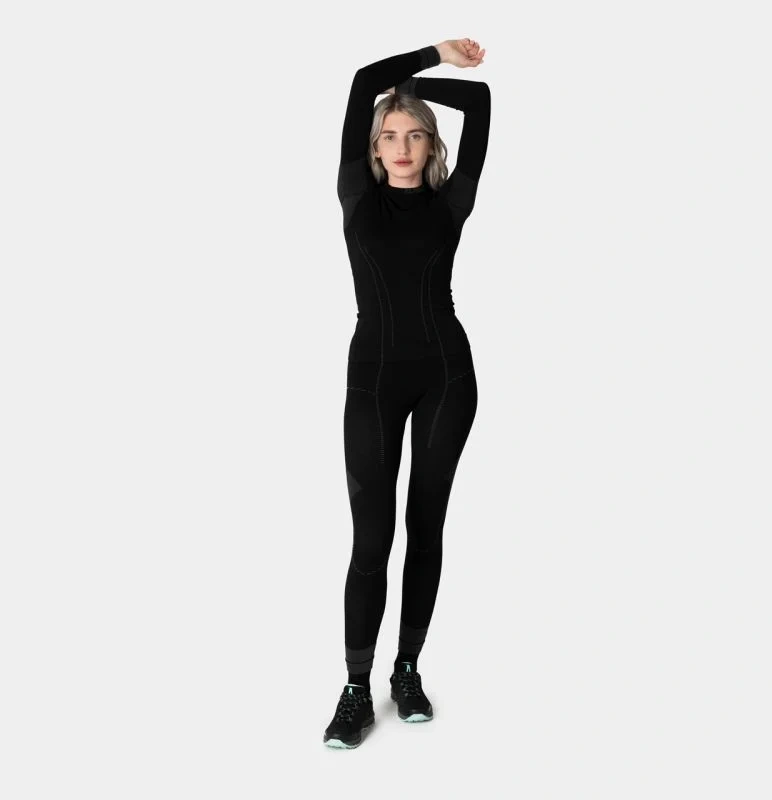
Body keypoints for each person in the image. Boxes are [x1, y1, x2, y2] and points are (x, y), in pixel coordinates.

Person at [323, 38, 491, 749]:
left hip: (447, 376)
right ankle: (355, 689)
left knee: (426, 527)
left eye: (415, 135)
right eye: (389, 135)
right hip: (374, 379)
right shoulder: (356, 197)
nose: (401, 147)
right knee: (372, 537)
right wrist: (431, 56)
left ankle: (407, 670)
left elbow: (479, 101)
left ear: (430, 146)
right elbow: (364, 80)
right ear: (373, 146)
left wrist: (420, 90)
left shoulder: (452, 203)